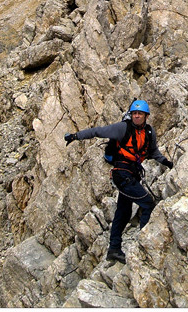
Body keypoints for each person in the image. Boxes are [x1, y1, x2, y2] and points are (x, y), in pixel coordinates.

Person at [64, 99, 173, 263]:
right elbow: (97, 131)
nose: (137, 116)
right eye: (134, 113)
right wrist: (75, 136)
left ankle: (113, 249)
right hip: (122, 174)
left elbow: (152, 152)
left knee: (124, 212)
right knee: (148, 203)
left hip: (132, 174)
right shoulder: (123, 128)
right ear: (131, 115)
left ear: (146, 116)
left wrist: (166, 163)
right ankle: (144, 245)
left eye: (140, 114)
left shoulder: (149, 132)